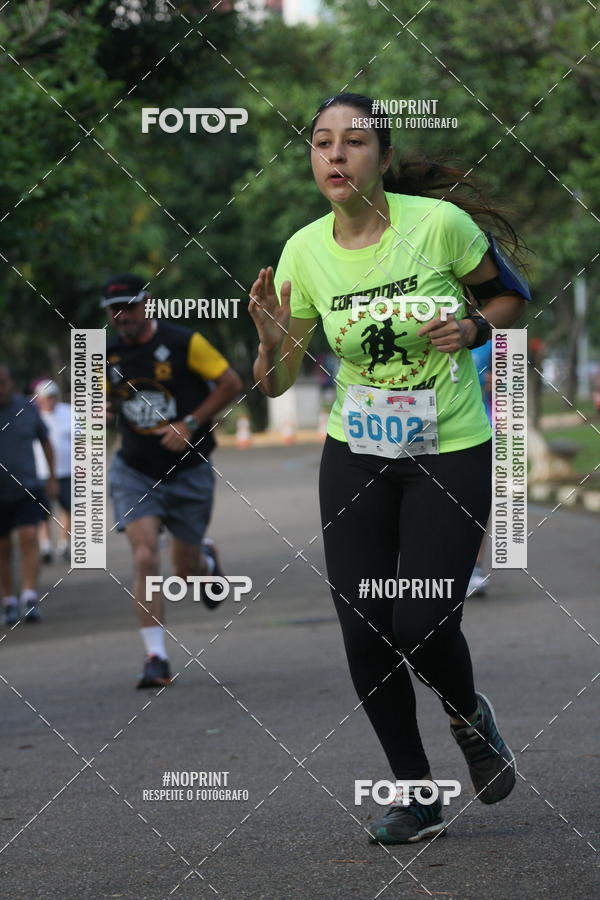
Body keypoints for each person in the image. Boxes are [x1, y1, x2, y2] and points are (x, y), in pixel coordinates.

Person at [249, 93, 531, 845]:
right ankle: (417, 794)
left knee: (422, 618)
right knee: (365, 629)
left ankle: (471, 718)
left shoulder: (438, 227)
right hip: (358, 452)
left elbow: (512, 296)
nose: (336, 155)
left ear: (381, 154)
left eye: (355, 141)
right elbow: (275, 384)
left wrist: (473, 325)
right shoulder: (304, 252)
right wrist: (271, 339)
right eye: (321, 143)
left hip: (451, 448)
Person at [103, 274, 242, 688]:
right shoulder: (103, 354)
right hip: (134, 469)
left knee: (185, 572)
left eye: (129, 306)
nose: (122, 316)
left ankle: (206, 560)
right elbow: (102, 401)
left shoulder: (185, 341)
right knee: (145, 556)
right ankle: (155, 657)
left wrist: (191, 422)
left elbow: (231, 383)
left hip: (188, 468)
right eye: (114, 310)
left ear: (147, 303)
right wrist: (105, 413)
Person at [0, 365, 57, 625]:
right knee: (2, 548)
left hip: (27, 486)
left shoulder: (27, 408)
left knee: (29, 534)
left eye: (3, 383)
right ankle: (8, 600)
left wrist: (52, 477)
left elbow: (45, 441)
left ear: (11, 383)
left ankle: (30, 597)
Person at [32, 379, 72, 564]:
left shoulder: (68, 412)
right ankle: (45, 545)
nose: (50, 400)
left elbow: (81, 441)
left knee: (69, 509)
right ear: (39, 399)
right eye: (47, 397)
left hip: (66, 471)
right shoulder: (32, 415)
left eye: (53, 396)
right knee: (42, 512)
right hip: (40, 473)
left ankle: (64, 544)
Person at [467, 340, 492, 597]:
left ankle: (473, 567)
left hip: (479, 427)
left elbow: (512, 381)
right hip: (426, 430)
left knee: (476, 501)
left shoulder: (488, 342)